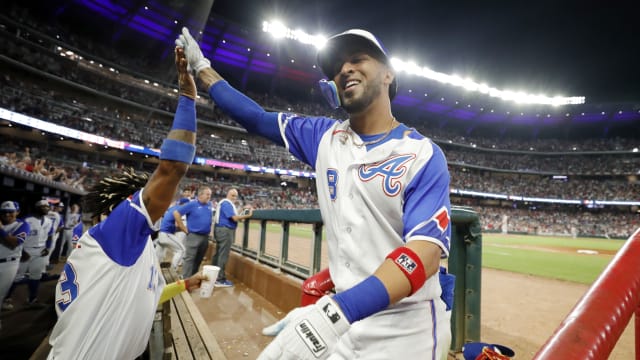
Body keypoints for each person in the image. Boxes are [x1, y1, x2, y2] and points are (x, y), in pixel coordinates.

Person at [177, 27, 452, 359]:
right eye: (337, 67)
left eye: (357, 59)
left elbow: (424, 254)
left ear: (389, 75)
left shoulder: (422, 153)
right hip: (344, 326)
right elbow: (256, 118)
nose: (344, 69)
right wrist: (201, 68)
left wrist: (332, 313)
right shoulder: (323, 136)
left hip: (406, 332)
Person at [47, 47, 206, 359]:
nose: (160, 206)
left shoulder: (127, 247)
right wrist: (187, 94)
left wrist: (186, 285)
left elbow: (149, 294)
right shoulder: (118, 235)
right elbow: (172, 169)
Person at [5, 199, 54, 308]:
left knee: (36, 276)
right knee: (17, 277)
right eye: (43, 207)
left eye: (47, 207)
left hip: (41, 250)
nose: (46, 208)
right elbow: (17, 237)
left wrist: (48, 247)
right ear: (37, 208)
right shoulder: (26, 220)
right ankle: (6, 298)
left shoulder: (49, 221)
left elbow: (50, 235)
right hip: (25, 250)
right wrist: (22, 251)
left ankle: (32, 299)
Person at [212, 188, 253, 287]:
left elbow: (235, 214)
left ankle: (213, 276)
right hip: (225, 231)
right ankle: (219, 279)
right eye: (232, 195)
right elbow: (234, 218)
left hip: (222, 230)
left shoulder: (227, 203)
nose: (234, 198)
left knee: (219, 254)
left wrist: (243, 209)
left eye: (236, 196)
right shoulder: (226, 203)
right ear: (228, 195)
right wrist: (248, 214)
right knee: (223, 255)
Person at [174, 186, 214, 278]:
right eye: (207, 194)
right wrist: (183, 228)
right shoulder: (192, 204)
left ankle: (192, 278)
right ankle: (185, 279)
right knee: (189, 259)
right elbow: (176, 213)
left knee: (198, 259)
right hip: (194, 235)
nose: (209, 196)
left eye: (210, 195)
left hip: (205, 237)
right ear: (200, 194)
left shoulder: (209, 205)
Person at [0, 201, 30, 313]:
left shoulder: (23, 224)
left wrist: (0, 230)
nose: (7, 214)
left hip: (7, 264)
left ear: (17, 212)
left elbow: (14, 243)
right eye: (4, 212)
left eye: (10, 212)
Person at [156, 197, 190, 271]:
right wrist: (187, 231)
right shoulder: (179, 210)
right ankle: (173, 270)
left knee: (158, 256)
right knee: (181, 250)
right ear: (185, 204)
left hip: (161, 234)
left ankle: (155, 270)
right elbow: (178, 225)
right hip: (166, 234)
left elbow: (174, 226)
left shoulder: (173, 208)